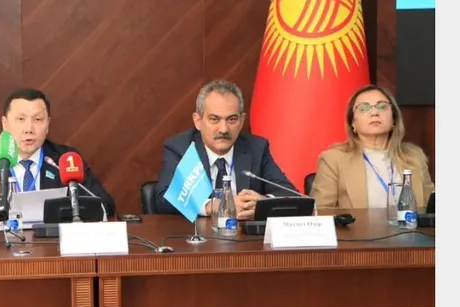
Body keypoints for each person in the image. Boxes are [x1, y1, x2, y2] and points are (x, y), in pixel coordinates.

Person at [0, 88, 116, 220]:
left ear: (47, 125)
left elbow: (105, 205)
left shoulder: (64, 159)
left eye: (37, 120)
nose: (29, 129)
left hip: (52, 248)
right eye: (20, 119)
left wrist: (67, 209)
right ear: (5, 124)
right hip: (1, 248)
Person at [154, 79, 296, 219]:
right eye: (214, 119)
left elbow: (291, 196)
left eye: (232, 119)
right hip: (198, 233)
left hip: (244, 233)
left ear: (241, 121)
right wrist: (216, 206)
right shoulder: (182, 148)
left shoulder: (257, 148)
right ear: (198, 121)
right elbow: (164, 200)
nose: (223, 129)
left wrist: (262, 204)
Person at [310, 84, 434, 210]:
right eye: (364, 108)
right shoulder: (333, 159)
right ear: (353, 123)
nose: (374, 112)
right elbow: (320, 212)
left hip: (409, 224)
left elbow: (432, 209)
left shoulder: (415, 156)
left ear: (394, 119)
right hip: (358, 224)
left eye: (382, 106)